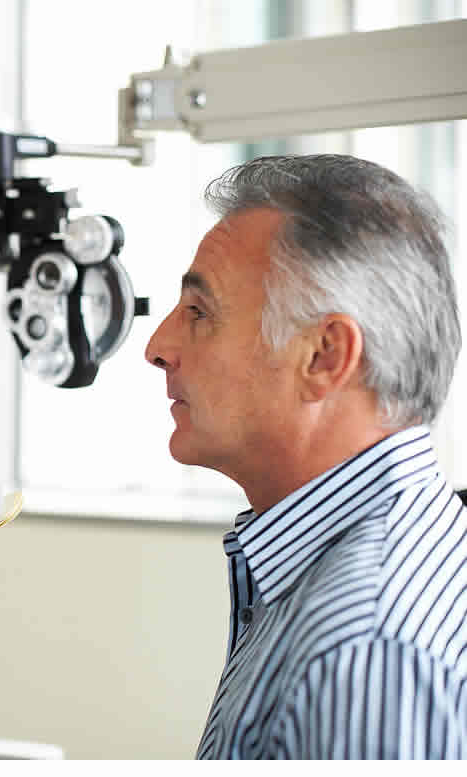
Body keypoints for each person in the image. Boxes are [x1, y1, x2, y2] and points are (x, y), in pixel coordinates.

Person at [145, 153, 467, 759]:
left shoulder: (366, 654)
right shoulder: (356, 567)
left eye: (199, 313)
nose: (157, 346)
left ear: (323, 356)